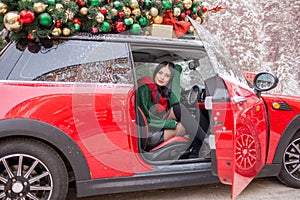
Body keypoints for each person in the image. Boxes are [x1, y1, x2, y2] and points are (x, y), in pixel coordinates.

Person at [137, 61, 207, 154]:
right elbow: (147, 120)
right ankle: (205, 143)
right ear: (155, 73)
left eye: (167, 76)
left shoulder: (162, 91)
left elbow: (176, 101)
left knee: (185, 111)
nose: (162, 78)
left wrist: (176, 72)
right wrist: (170, 124)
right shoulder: (144, 90)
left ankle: (203, 145)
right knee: (186, 125)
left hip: (157, 125)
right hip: (149, 135)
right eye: (160, 73)